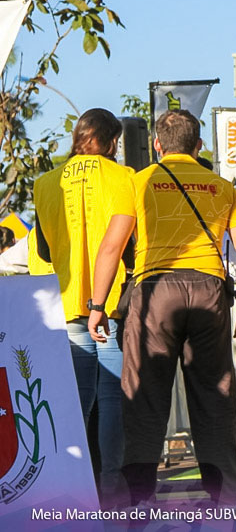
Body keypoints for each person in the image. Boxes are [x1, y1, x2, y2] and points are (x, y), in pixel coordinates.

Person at [87, 109, 236, 506]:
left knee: (144, 397)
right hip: (209, 290)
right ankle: (226, 496)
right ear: (199, 146)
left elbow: (112, 247)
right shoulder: (222, 186)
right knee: (214, 398)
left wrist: (98, 306)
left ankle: (137, 500)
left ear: (157, 145)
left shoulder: (139, 181)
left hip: (155, 292)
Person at [31, 108, 135, 506]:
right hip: (109, 305)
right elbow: (127, 241)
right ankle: (112, 483)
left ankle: (76, 483)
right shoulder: (124, 177)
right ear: (112, 142)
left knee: (77, 399)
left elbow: (42, 248)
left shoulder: (44, 184)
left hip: (65, 301)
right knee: (111, 398)